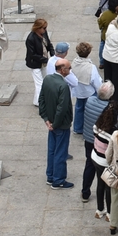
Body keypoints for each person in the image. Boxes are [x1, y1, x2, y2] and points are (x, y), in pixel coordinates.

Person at [39, 59, 76, 189]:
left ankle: (50, 176)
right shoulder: (63, 86)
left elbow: (41, 99)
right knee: (61, 152)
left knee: (52, 150)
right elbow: (62, 108)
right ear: (62, 70)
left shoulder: (47, 79)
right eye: (69, 68)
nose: (70, 70)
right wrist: (55, 124)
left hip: (51, 122)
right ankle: (58, 180)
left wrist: (46, 119)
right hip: (61, 124)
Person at [88, 89, 118, 217]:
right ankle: (109, 213)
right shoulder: (113, 133)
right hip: (105, 162)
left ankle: (99, 209)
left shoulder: (97, 125)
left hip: (95, 157)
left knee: (99, 183)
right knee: (108, 187)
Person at [70, 42, 102, 135]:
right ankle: (89, 128)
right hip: (89, 91)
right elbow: (96, 81)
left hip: (78, 90)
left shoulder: (74, 63)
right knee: (90, 110)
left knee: (79, 108)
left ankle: (77, 127)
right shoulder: (91, 67)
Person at [25, 19, 54, 105]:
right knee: (39, 83)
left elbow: (49, 44)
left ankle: (37, 100)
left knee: (45, 80)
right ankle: (40, 102)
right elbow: (32, 54)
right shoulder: (30, 39)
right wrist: (47, 60)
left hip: (44, 61)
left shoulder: (43, 33)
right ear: (38, 28)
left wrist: (53, 55)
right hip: (34, 63)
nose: (45, 29)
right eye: (44, 28)